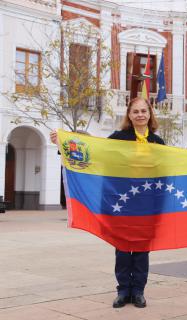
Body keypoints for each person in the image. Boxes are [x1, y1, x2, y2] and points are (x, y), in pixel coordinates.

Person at [50, 97, 164, 309]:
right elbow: (95, 152)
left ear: (150, 114)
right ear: (129, 115)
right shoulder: (118, 138)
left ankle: (138, 291)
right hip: (121, 202)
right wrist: (63, 143)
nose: (140, 115)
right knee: (121, 248)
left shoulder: (158, 143)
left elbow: (166, 171)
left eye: (143, 111)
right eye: (135, 111)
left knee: (141, 249)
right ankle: (123, 291)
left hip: (147, 203)